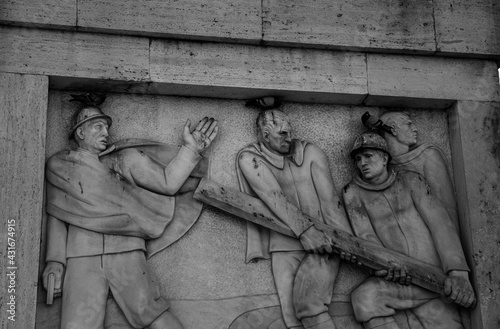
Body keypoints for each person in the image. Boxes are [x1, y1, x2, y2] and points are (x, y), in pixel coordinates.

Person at [42, 105, 218, 329]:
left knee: (152, 315)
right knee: (77, 325)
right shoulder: (60, 166)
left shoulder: (126, 159)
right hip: (81, 254)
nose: (106, 133)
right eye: (98, 127)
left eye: (107, 127)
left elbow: (167, 183)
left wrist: (190, 150)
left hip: (126, 251)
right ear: (80, 132)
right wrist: (55, 262)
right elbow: (58, 214)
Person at [342, 132, 475, 329]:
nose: (362, 163)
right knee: (364, 299)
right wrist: (386, 266)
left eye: (368, 156)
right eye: (358, 159)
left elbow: (440, 225)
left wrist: (458, 274)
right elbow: (366, 237)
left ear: (385, 158)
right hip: (400, 278)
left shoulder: (412, 180)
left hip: (435, 278)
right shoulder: (352, 192)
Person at [236, 109, 351, 329]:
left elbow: (330, 203)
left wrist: (350, 245)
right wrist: (306, 231)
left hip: (324, 243)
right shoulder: (249, 158)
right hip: (283, 247)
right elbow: (274, 196)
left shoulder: (311, 152)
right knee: (291, 319)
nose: (288, 138)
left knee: (312, 307)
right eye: (281, 134)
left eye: (289, 132)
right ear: (265, 134)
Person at [376, 111, 460, 231]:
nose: (415, 129)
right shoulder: (381, 166)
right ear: (393, 129)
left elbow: (447, 207)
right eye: (409, 124)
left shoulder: (428, 156)